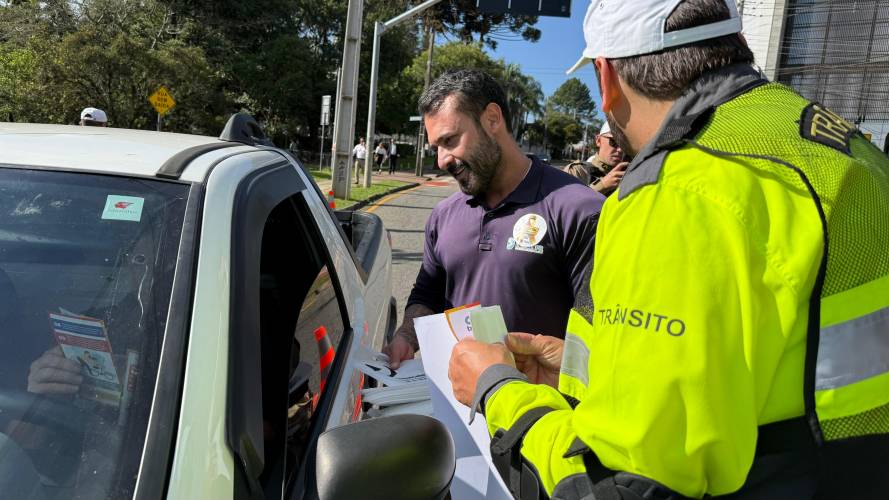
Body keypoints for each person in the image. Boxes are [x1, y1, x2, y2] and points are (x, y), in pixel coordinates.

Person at [448, 0, 889, 499]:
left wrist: (497, 391)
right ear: (731, 43)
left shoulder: (679, 190)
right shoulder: (845, 148)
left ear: (607, 75)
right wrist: (582, 377)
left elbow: (620, 485)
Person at [384, 69, 605, 368]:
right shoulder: (443, 215)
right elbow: (429, 291)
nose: (441, 160)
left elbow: (601, 334)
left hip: (545, 410)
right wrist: (406, 337)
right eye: (436, 147)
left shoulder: (579, 210)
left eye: (450, 140)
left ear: (492, 119)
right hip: (458, 404)